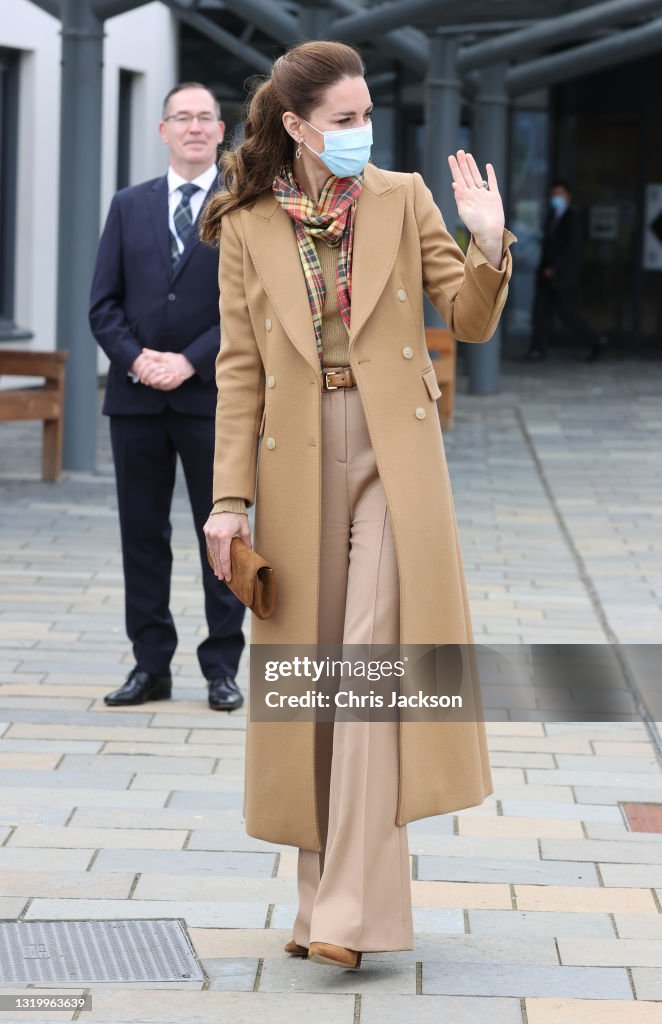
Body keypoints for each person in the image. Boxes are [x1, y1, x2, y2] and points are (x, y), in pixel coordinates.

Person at [202, 41, 516, 968]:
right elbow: (238, 373)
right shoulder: (248, 223)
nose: (360, 133)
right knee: (312, 682)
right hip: (291, 464)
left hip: (395, 458)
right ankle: (316, 910)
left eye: (367, 115)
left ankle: (348, 912)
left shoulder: (404, 195)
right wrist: (226, 503)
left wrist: (487, 244)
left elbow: (465, 318)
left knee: (376, 666)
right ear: (296, 126)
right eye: (342, 121)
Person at [89, 82, 246, 712]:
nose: (193, 127)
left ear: (219, 131)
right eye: (181, 117)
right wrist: (137, 360)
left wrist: (189, 360)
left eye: (205, 117)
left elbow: (247, 308)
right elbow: (102, 305)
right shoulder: (129, 206)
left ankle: (222, 669)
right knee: (142, 536)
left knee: (223, 538)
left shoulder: (240, 208)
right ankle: (150, 666)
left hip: (210, 400)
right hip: (135, 402)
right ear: (163, 131)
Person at [526, 179, 607, 362]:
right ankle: (537, 350)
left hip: (562, 276)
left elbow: (572, 248)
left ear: (568, 195)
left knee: (568, 314)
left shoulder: (573, 217)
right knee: (540, 312)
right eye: (554, 194)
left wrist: (555, 268)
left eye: (560, 194)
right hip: (545, 274)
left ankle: (596, 341)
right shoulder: (551, 215)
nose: (556, 198)